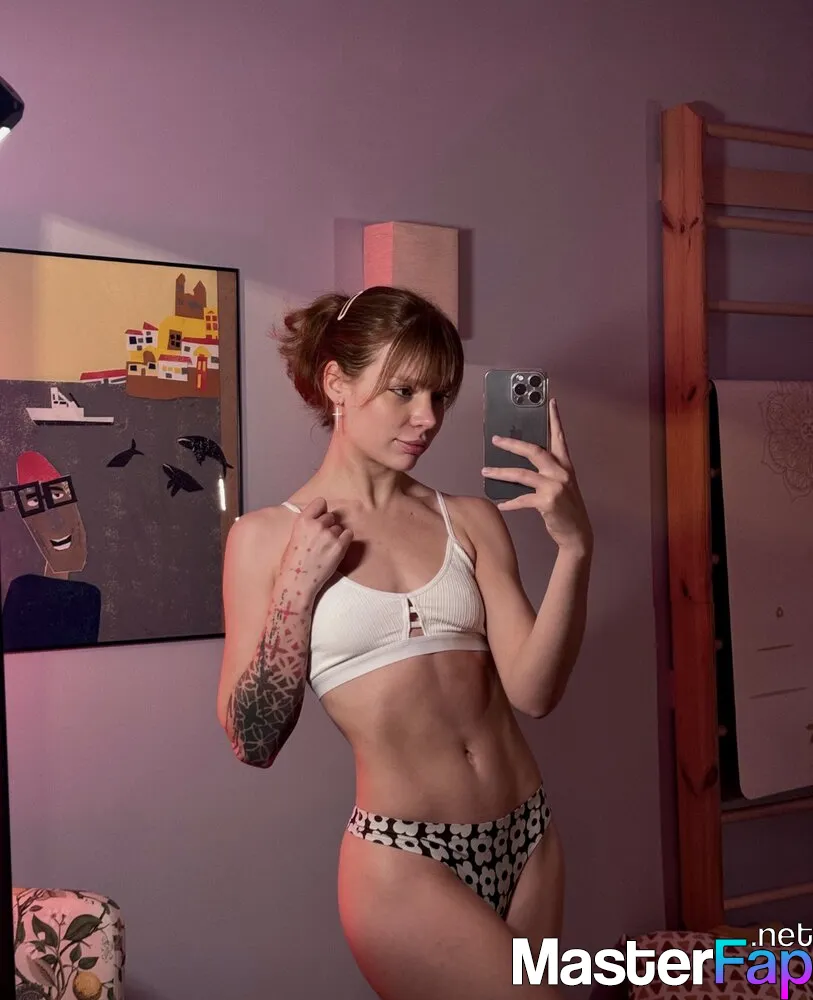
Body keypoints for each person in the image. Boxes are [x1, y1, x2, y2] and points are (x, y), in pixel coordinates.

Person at [216, 286, 593, 999]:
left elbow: (535, 693)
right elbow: (251, 740)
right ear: (337, 383)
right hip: (405, 859)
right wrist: (296, 590)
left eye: (440, 396)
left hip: (528, 833)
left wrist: (575, 548)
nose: (428, 418)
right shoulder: (264, 539)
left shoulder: (470, 520)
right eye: (404, 391)